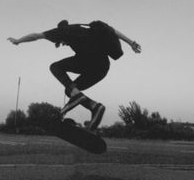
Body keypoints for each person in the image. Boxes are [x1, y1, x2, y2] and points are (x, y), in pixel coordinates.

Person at [8, 20, 141, 130]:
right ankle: (95, 108)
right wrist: (131, 43)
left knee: (55, 67)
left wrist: (18, 40)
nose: (63, 44)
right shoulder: (86, 27)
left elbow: (36, 36)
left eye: (60, 42)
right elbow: (112, 30)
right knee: (71, 90)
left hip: (88, 60)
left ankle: (74, 101)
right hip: (102, 68)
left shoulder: (63, 30)